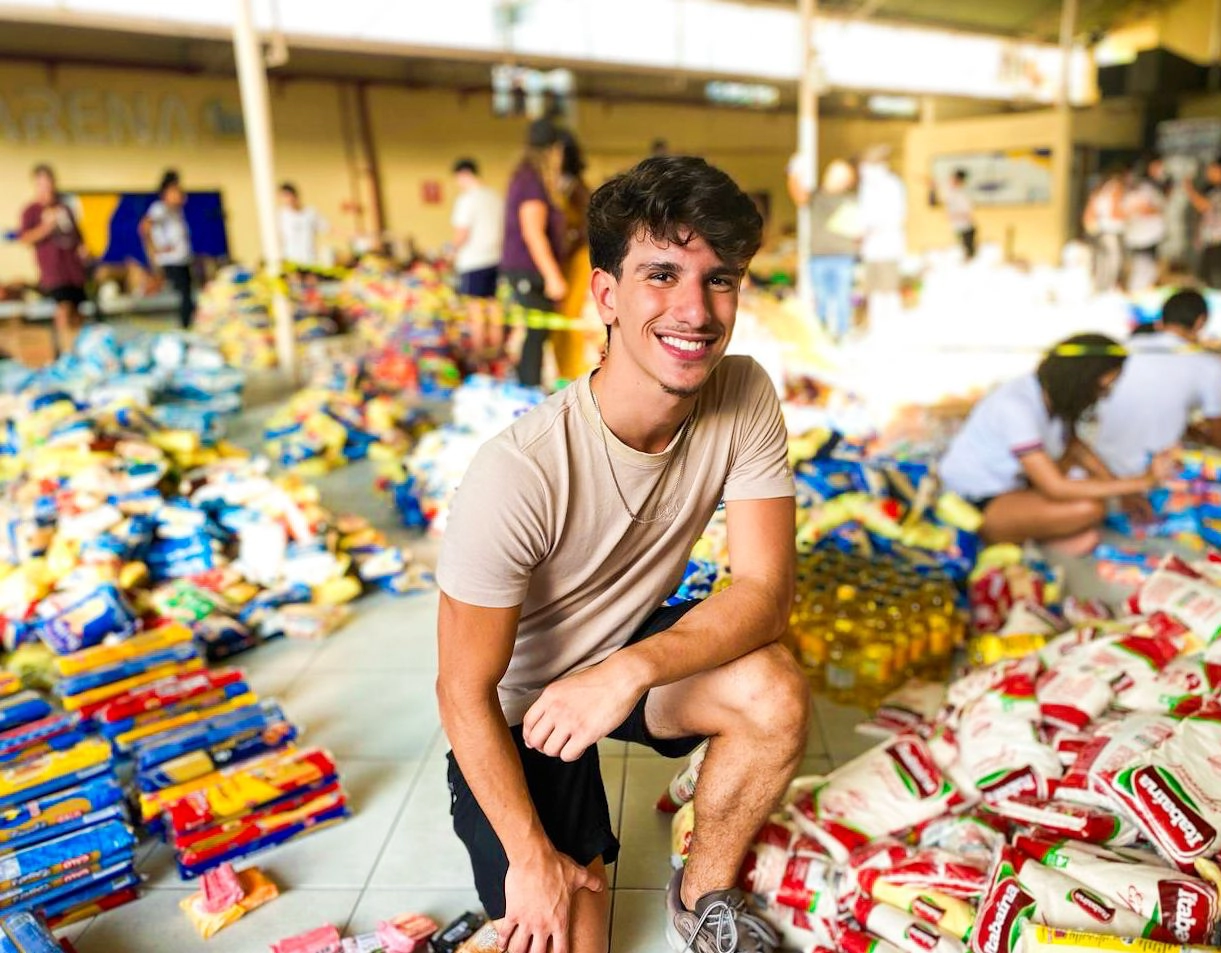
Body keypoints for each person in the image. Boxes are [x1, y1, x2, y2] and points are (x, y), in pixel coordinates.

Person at [436, 155, 805, 953]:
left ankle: (703, 893)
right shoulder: (519, 470)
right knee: (567, 942)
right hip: (519, 713)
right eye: (661, 274)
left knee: (772, 688)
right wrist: (532, 858)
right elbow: (462, 692)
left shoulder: (743, 394)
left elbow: (766, 592)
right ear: (605, 295)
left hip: (629, 658)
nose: (695, 309)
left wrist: (628, 668)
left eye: (719, 279)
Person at [939, 333, 1172, 555]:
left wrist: (1121, 490)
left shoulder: (1051, 395)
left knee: (1090, 491)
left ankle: (1042, 532)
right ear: (1083, 383)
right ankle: (1015, 534)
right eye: (1102, 388)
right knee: (1090, 508)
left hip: (1014, 488)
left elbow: (1076, 448)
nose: (1104, 396)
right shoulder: (1016, 406)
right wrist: (1140, 482)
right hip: (973, 503)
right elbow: (1055, 487)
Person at [1092, 290, 1221, 476]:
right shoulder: (1206, 364)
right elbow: (1218, 433)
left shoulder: (1126, 348)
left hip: (1100, 466)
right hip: (1152, 475)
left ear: (1161, 320)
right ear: (1200, 322)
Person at [502, 119, 568, 387]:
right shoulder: (532, 180)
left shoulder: (526, 176)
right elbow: (533, 232)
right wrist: (553, 277)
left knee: (536, 331)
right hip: (529, 269)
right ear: (554, 150)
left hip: (525, 268)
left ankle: (528, 387)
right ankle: (527, 392)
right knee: (535, 332)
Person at [17, 164, 88, 356]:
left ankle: (80, 352)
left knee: (77, 312)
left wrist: (83, 249)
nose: (46, 187)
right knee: (63, 310)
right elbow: (24, 238)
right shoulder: (31, 211)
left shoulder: (65, 208)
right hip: (53, 272)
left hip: (74, 270)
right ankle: (66, 353)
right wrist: (46, 227)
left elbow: (78, 236)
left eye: (49, 182)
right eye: (41, 184)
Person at [789, 159, 859, 342]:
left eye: (838, 174)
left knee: (842, 297)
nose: (832, 177)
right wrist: (793, 172)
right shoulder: (817, 196)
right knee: (820, 299)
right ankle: (821, 335)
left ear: (847, 180)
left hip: (843, 256)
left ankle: (842, 335)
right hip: (819, 256)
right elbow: (798, 196)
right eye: (832, 172)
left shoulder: (851, 199)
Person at [451, 159, 505, 355]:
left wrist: (451, 250)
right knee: (493, 305)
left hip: (473, 260)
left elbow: (461, 233)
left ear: (463, 175)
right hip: (496, 257)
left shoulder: (467, 200)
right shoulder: (495, 197)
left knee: (475, 308)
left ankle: (479, 353)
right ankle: (498, 348)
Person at [553, 132, 593, 379]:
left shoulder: (573, 188)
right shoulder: (566, 186)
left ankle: (571, 373)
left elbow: (578, 228)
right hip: (572, 258)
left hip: (578, 258)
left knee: (569, 318)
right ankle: (566, 372)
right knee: (563, 319)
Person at [857, 145, 906, 328]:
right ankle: (876, 325)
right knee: (874, 290)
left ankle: (891, 325)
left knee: (889, 289)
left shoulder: (892, 185)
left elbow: (895, 216)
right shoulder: (866, 187)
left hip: (887, 246)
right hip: (870, 248)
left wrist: (871, 229)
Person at [139, 170, 194, 329]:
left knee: (187, 301)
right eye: (176, 190)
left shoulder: (175, 212)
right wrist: (154, 252)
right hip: (171, 263)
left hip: (182, 261)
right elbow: (145, 226)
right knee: (179, 302)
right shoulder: (159, 209)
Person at [1122, 158, 1168, 293]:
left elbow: (1157, 208)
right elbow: (1135, 209)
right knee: (1139, 269)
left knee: (1148, 269)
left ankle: (1142, 291)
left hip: (1150, 237)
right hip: (1138, 237)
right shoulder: (1136, 189)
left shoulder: (1151, 188)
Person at [1083, 167, 1126, 293]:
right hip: (1111, 228)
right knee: (1113, 259)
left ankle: (1098, 286)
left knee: (1101, 260)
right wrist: (1128, 215)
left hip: (1099, 228)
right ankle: (1108, 287)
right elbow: (1115, 211)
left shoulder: (1099, 190)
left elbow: (1090, 211)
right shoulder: (1116, 187)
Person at [1186, 155, 1221, 289]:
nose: (1209, 173)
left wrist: (1189, 188)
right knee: (1205, 278)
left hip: (1217, 242)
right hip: (1209, 241)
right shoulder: (1212, 189)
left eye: (1212, 170)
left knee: (1213, 278)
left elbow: (1205, 206)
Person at [277, 182, 329, 269]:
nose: (286, 200)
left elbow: (327, 228)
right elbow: (277, 238)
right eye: (282, 197)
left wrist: (350, 234)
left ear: (294, 195)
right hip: (291, 261)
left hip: (310, 260)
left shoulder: (310, 212)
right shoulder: (281, 215)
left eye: (286, 196)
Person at [944, 168, 976, 260]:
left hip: (965, 228)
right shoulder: (951, 192)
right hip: (958, 227)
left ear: (959, 181)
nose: (951, 181)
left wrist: (954, 216)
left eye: (954, 179)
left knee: (967, 254)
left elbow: (967, 214)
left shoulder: (963, 195)